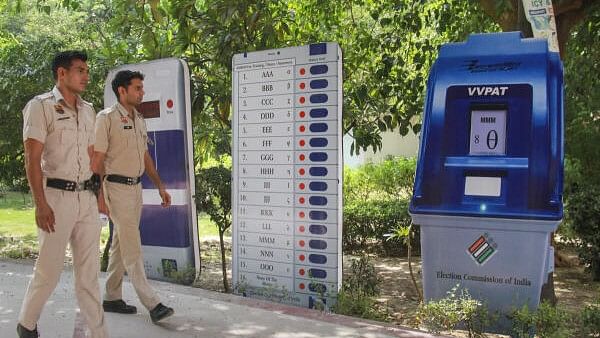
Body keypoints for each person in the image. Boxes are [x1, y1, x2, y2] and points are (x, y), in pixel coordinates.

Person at [18, 50, 108, 338]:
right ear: (62, 74)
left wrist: (101, 194)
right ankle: (27, 324)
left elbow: (94, 156)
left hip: (86, 199)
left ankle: (99, 334)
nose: (86, 75)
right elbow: (32, 160)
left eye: (86, 70)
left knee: (89, 277)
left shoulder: (89, 109)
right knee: (49, 272)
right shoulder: (40, 107)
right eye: (80, 70)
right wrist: (40, 204)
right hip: (55, 198)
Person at [91, 70, 174, 324]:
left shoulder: (139, 118)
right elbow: (97, 159)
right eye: (137, 88)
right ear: (122, 91)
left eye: (142, 88)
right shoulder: (105, 118)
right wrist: (99, 196)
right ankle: (152, 302)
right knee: (132, 246)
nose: (142, 92)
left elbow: (146, 156)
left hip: (135, 188)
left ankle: (111, 296)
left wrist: (160, 185)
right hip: (115, 188)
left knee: (120, 243)